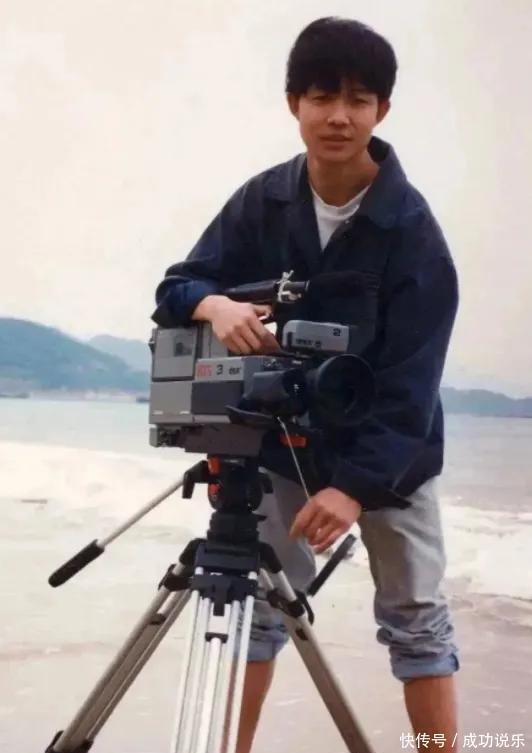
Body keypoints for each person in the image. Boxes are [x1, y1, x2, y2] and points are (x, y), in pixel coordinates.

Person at [153, 17, 460, 753]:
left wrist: (354, 487)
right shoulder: (263, 201)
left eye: (358, 99)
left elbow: (411, 387)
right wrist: (215, 304)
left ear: (382, 110)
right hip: (285, 441)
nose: (339, 116)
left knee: (417, 621)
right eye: (322, 97)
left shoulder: (412, 232)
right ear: (294, 102)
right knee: (257, 612)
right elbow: (175, 288)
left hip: (392, 456)